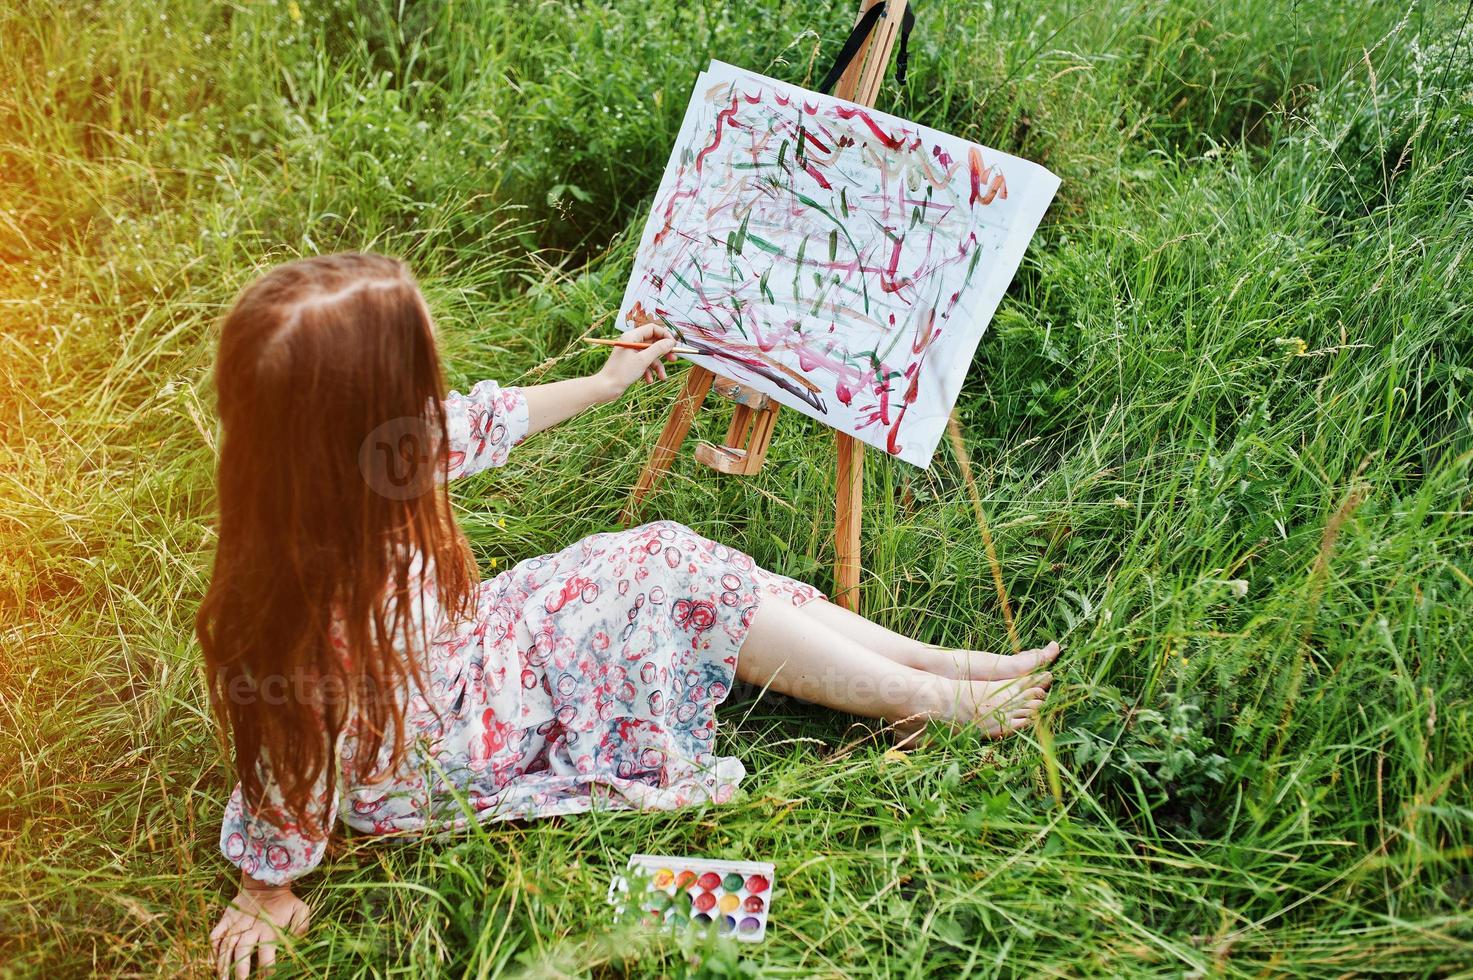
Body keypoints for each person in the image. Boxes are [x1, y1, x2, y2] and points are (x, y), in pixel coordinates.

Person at [200, 253, 1058, 977]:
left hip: (465, 653)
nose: (435, 389)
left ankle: (934, 664)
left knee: (657, 553)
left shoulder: (339, 461)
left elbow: (475, 424)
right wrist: (266, 888)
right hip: (444, 740)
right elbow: (287, 759)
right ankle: (926, 700)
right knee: (661, 570)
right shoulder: (307, 600)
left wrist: (608, 383)